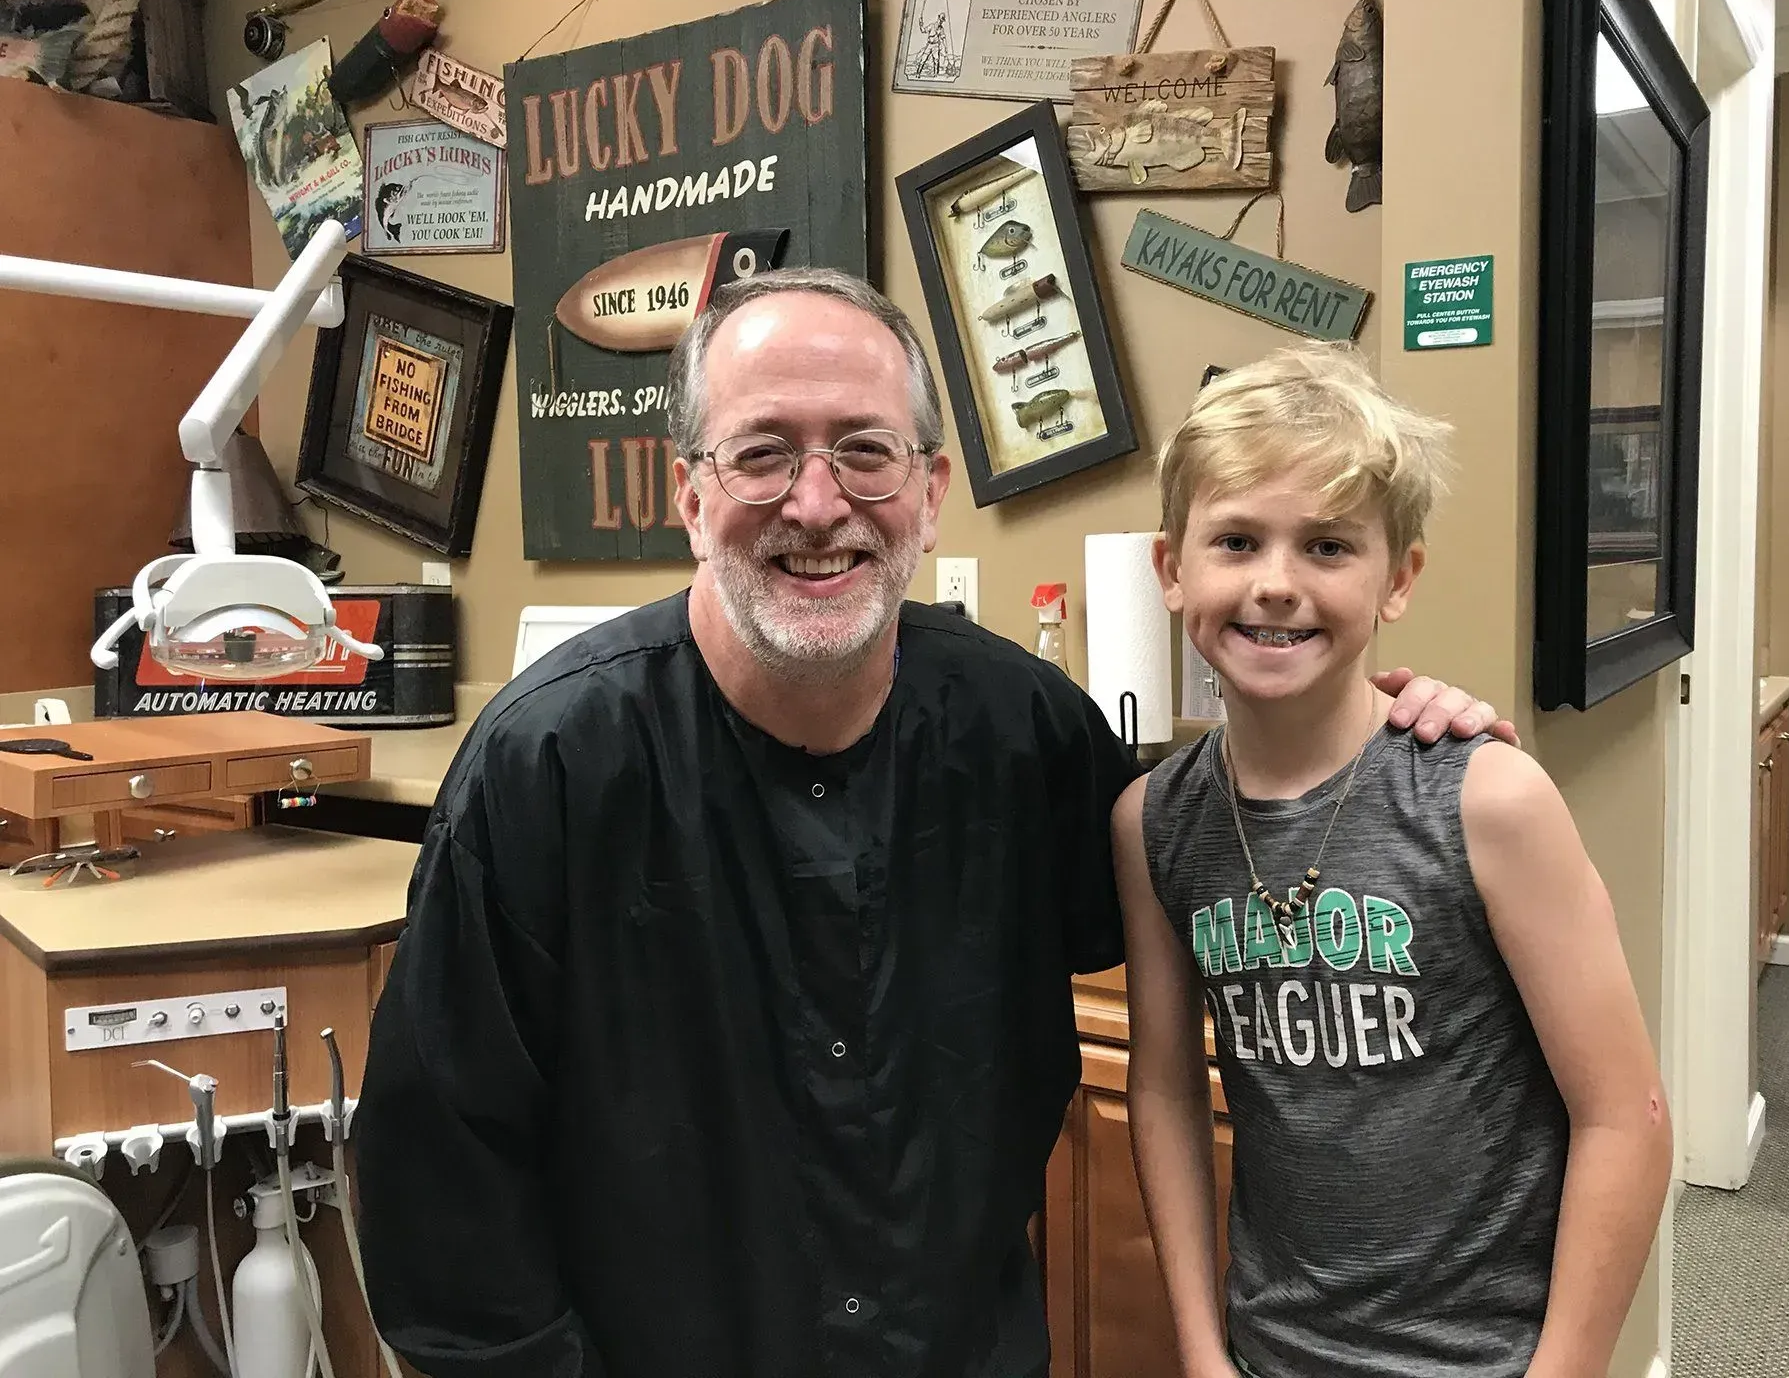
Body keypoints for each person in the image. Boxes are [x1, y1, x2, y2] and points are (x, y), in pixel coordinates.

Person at [353, 270, 1508, 1378]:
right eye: (763, 454)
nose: (818, 504)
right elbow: (443, 1205)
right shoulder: (542, 770)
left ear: (931, 489)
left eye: (865, 450)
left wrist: (1380, 737)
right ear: (691, 497)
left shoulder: (1027, 736)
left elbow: (1240, 880)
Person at [1113, 344, 1672, 1378]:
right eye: (1236, 540)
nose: (1276, 584)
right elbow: (1165, 1091)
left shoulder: (1488, 799)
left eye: (1328, 547)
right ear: (1171, 568)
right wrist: (1200, 1348)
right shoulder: (1154, 821)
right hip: (1269, 1351)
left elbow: (1625, 1118)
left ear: (1397, 579)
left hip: (1488, 1359)